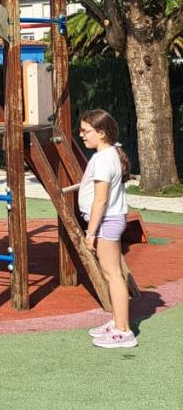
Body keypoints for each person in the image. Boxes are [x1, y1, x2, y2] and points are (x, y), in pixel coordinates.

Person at [78, 109, 136, 349]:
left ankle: (124, 332)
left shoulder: (103, 159)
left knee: (113, 275)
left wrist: (90, 233)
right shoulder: (108, 153)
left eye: (86, 131)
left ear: (101, 133)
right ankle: (117, 322)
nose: (81, 135)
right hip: (109, 220)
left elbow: (100, 200)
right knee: (112, 274)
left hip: (107, 222)